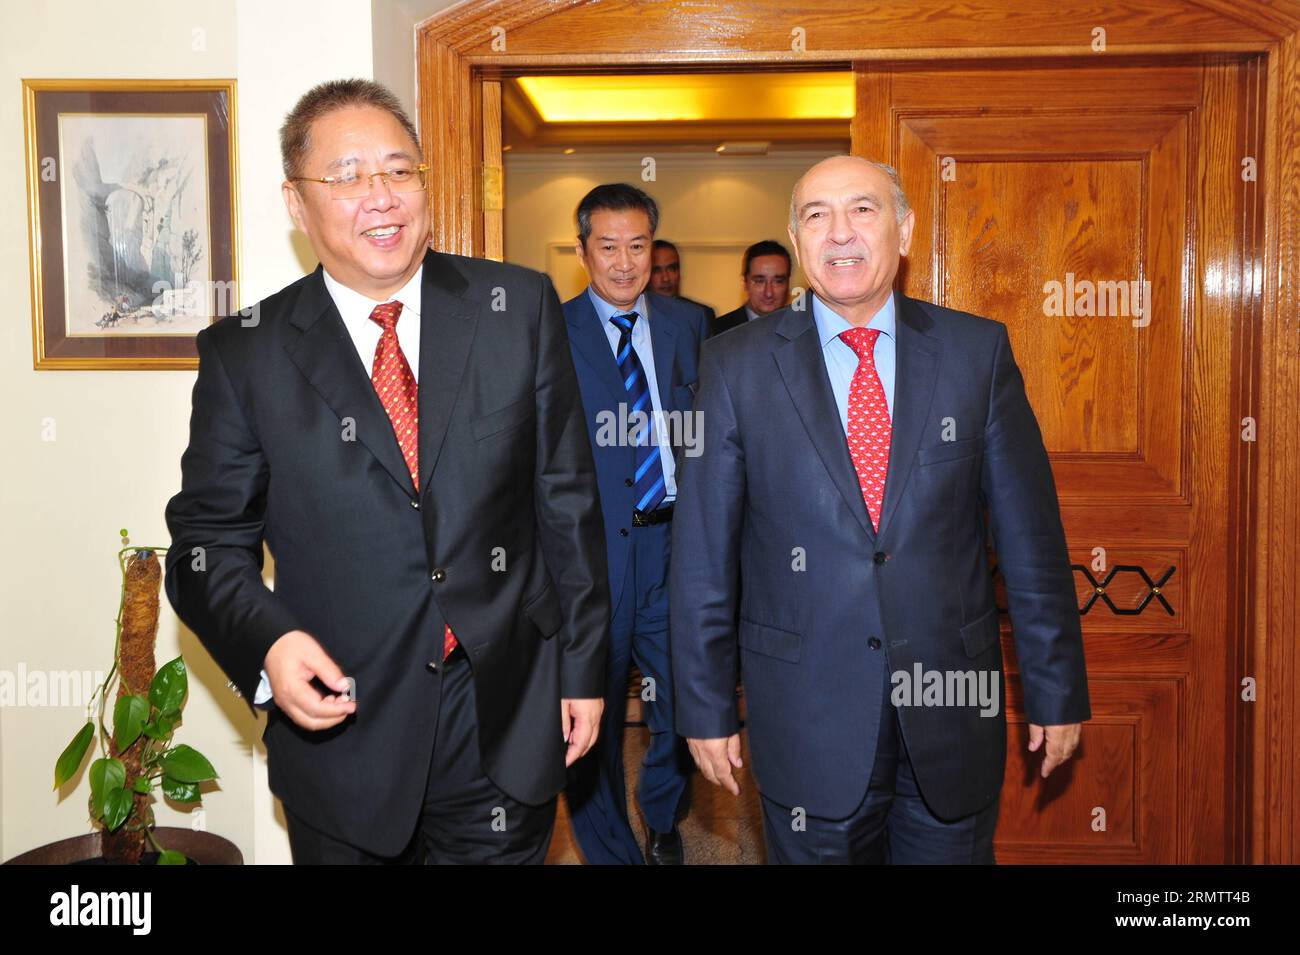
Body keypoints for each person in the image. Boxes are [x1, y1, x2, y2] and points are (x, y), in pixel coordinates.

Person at [164, 78, 610, 864]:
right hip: (346, 736)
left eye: (400, 171)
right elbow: (204, 547)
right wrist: (267, 645)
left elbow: (565, 501)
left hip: (502, 720)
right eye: (347, 175)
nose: (381, 196)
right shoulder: (247, 352)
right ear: (298, 205)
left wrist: (582, 667)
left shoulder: (519, 306)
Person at [670, 155, 1090, 864]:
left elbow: (1031, 541)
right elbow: (703, 555)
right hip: (805, 719)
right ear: (797, 242)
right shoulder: (734, 366)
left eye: (862, 210)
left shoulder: (975, 352)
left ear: (903, 228)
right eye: (816, 215)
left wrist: (1056, 688)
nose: (840, 234)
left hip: (952, 713)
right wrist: (705, 706)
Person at [563, 185, 708, 864]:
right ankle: (614, 853)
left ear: (655, 246)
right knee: (585, 716)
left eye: (639, 245)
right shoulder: (551, 332)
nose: (624, 263)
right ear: (583, 248)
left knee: (684, 703)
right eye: (608, 246)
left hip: (675, 546)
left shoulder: (690, 323)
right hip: (592, 559)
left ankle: (663, 815)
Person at [712, 240, 791, 336]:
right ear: (745, 283)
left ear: (788, 284)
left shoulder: (804, 329)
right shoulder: (717, 331)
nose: (769, 293)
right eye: (759, 281)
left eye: (778, 281)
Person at [651, 238, 715, 324]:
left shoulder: (701, 315)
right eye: (657, 271)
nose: (665, 278)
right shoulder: (635, 315)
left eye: (672, 268)